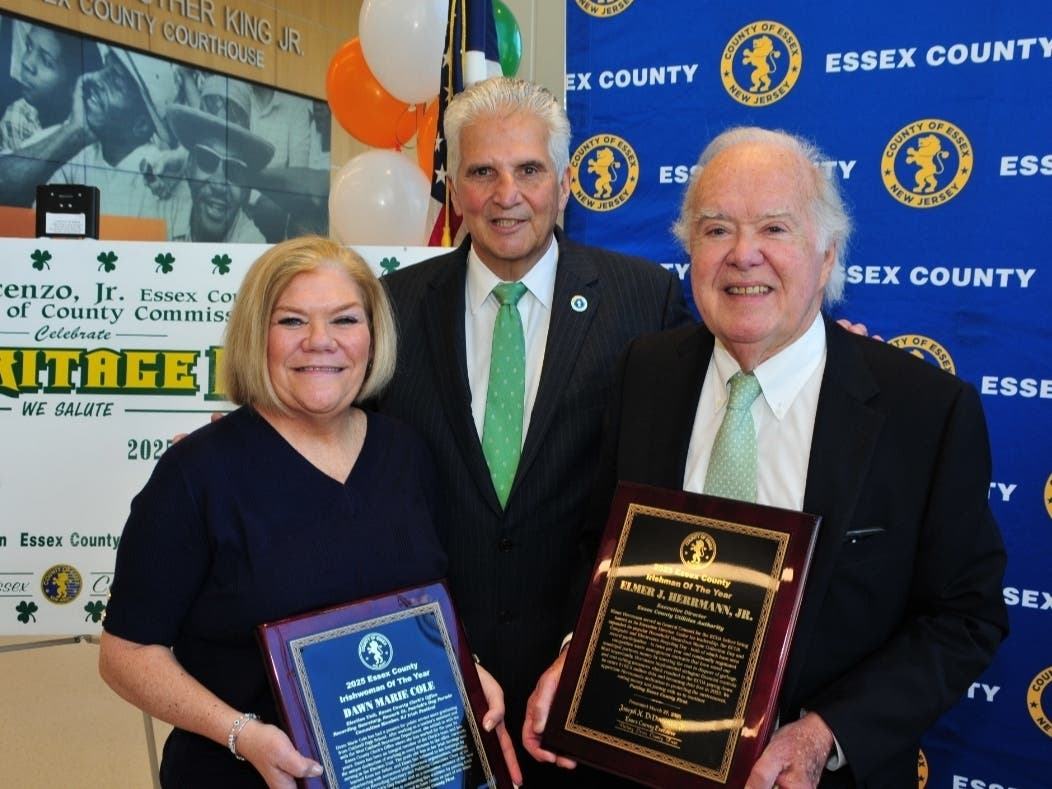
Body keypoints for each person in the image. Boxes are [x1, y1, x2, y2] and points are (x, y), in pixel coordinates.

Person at [522, 126, 1009, 788]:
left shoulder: (925, 412)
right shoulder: (646, 373)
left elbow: (965, 617)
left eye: (775, 229)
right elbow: (597, 546)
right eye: (717, 229)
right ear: (690, 249)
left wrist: (823, 734)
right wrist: (576, 657)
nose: (743, 255)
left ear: (828, 254)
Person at [99, 236, 520, 788]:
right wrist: (240, 733)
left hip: (400, 769)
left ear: (372, 337)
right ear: (258, 336)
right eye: (292, 321)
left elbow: (422, 610)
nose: (320, 342)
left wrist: (466, 673)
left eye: (345, 320)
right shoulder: (195, 475)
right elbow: (125, 654)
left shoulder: (407, 454)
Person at [373, 75, 694, 786]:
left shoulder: (646, 300)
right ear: (454, 188)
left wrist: (835, 351)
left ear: (567, 182)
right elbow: (340, 436)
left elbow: (709, 410)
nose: (505, 194)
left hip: (587, 678)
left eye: (528, 170)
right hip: (432, 674)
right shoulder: (391, 308)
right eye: (482, 171)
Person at [163, 75, 275, 242]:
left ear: (246, 188)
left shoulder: (251, 243)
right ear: (189, 166)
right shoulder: (162, 212)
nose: (218, 183)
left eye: (234, 169)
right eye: (207, 159)